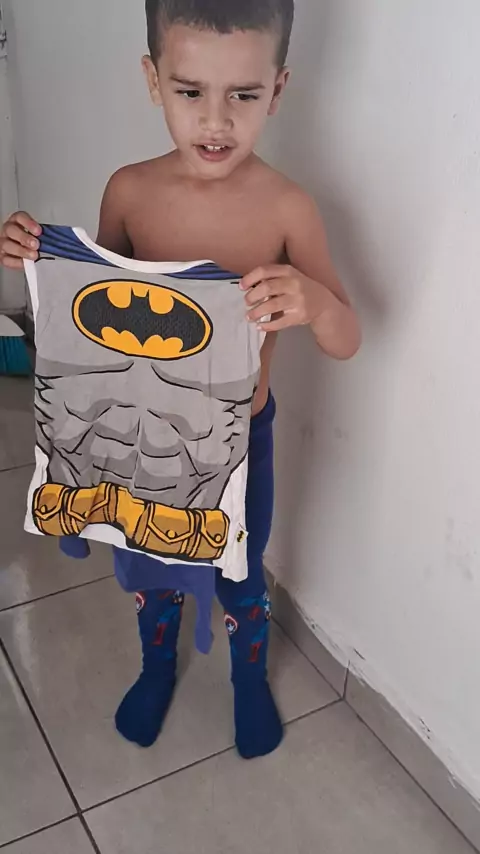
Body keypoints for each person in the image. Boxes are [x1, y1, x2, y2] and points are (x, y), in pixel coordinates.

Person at [0, 0, 360, 759]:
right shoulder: (129, 192)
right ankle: (157, 663)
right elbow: (92, 304)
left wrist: (316, 302)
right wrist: (34, 255)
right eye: (190, 91)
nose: (216, 120)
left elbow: (346, 339)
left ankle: (247, 678)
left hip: (239, 445)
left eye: (244, 94)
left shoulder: (287, 208)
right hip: (132, 442)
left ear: (278, 88)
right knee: (147, 563)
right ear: (152, 79)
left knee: (239, 572)